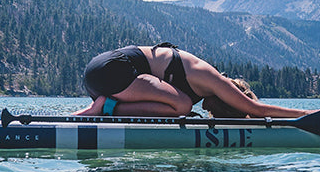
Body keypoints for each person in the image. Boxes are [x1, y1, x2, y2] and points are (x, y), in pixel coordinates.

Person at [75, 43, 307, 118]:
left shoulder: (203, 83)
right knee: (183, 105)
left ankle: (105, 106)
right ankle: (105, 108)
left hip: (101, 77)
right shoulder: (212, 78)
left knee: (181, 107)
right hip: (113, 70)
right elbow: (255, 109)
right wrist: (307, 116)